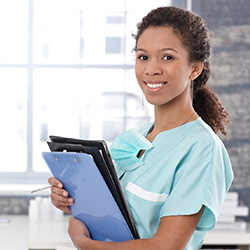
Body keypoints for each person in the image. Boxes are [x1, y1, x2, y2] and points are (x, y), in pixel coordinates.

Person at [48, 6, 234, 250]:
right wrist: (72, 200)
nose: (151, 69)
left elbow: (165, 247)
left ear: (195, 68)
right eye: (143, 57)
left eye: (167, 57)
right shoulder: (135, 140)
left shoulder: (202, 149)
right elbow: (114, 215)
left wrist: (84, 243)